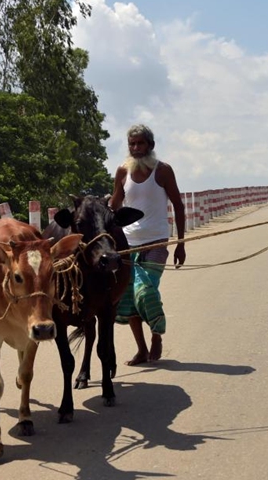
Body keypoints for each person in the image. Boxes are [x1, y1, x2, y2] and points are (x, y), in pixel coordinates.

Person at [110, 124, 186, 366]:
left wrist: (181, 243)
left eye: (140, 143)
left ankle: (156, 334)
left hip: (156, 241)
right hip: (128, 243)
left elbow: (178, 205)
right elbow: (114, 205)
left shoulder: (163, 171)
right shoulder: (122, 172)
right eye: (132, 144)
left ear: (150, 145)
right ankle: (141, 349)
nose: (135, 148)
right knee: (130, 298)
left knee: (145, 291)